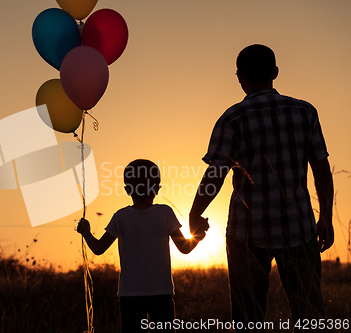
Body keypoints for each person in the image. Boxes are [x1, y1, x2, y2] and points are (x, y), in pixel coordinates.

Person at [189, 44, 334, 332]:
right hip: (299, 228)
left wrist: (195, 213)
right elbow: (321, 170)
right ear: (275, 73)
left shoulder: (232, 118)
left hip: (247, 234)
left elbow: (215, 174)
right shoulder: (305, 112)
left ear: (240, 77)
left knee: (247, 319)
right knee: (311, 317)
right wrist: (326, 217)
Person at [77, 159, 209, 333]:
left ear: (127, 190)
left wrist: (86, 232)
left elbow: (99, 248)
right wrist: (199, 234)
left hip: (130, 294)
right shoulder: (165, 213)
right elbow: (184, 248)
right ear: (157, 189)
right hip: (161, 293)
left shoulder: (121, 217)